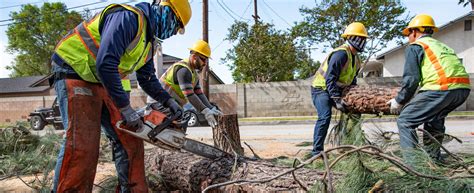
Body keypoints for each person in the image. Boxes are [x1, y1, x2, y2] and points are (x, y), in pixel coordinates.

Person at [50, 0, 191, 192]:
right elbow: (106, 62)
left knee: (130, 138)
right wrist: (125, 108)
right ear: (164, 9)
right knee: (83, 143)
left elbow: (147, 78)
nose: (174, 32)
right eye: (176, 24)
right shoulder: (128, 18)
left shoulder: (148, 42)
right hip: (74, 69)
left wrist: (168, 101)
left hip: (103, 78)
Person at [387, 14, 470, 162]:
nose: (408, 38)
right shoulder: (441, 45)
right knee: (434, 120)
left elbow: (412, 79)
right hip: (462, 89)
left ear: (414, 32)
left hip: (441, 88)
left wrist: (399, 100)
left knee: (405, 121)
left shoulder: (416, 47)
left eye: (408, 34)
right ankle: (433, 161)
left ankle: (414, 167)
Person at [310, 22, 368, 156]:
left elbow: (352, 80)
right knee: (325, 116)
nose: (363, 41)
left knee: (354, 114)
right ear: (351, 38)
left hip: (336, 89)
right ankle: (317, 152)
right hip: (321, 89)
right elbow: (329, 78)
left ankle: (349, 147)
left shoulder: (356, 59)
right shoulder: (341, 54)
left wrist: (353, 96)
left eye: (364, 39)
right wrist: (336, 100)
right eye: (360, 38)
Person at [154, 40, 222, 127]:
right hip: (160, 105)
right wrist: (206, 111)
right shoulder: (183, 70)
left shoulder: (194, 74)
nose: (205, 63)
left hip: (171, 105)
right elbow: (189, 95)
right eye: (203, 59)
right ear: (194, 57)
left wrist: (210, 108)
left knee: (179, 129)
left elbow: (199, 94)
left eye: (206, 60)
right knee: (171, 131)